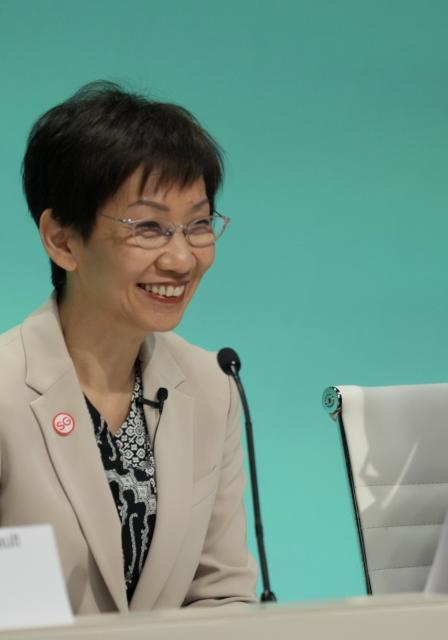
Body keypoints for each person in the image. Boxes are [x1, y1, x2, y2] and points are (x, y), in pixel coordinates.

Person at [0, 82, 257, 612]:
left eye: (199, 225)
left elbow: (220, 593)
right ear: (63, 240)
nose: (182, 259)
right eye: (149, 228)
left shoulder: (212, 386)